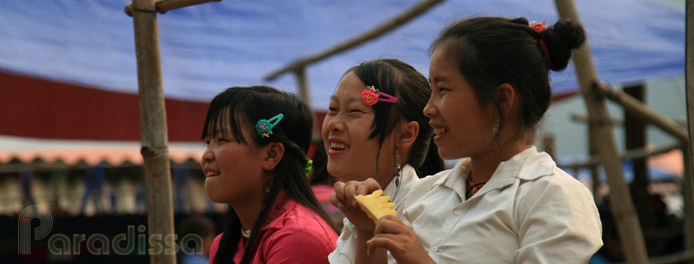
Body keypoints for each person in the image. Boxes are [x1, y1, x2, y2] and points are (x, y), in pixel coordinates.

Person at [332, 17, 603, 263]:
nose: (428, 109)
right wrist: (366, 231)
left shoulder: (552, 196)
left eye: (443, 89)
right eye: (431, 90)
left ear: (502, 99)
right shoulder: (423, 194)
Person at [324, 59, 444, 263]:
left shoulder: (431, 211)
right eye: (333, 109)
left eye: (354, 111)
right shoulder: (355, 216)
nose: (333, 124)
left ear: (405, 134)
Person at [201, 86, 338, 264]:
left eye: (222, 140)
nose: (207, 156)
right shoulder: (224, 244)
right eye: (208, 142)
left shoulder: (298, 238)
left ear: (271, 154)